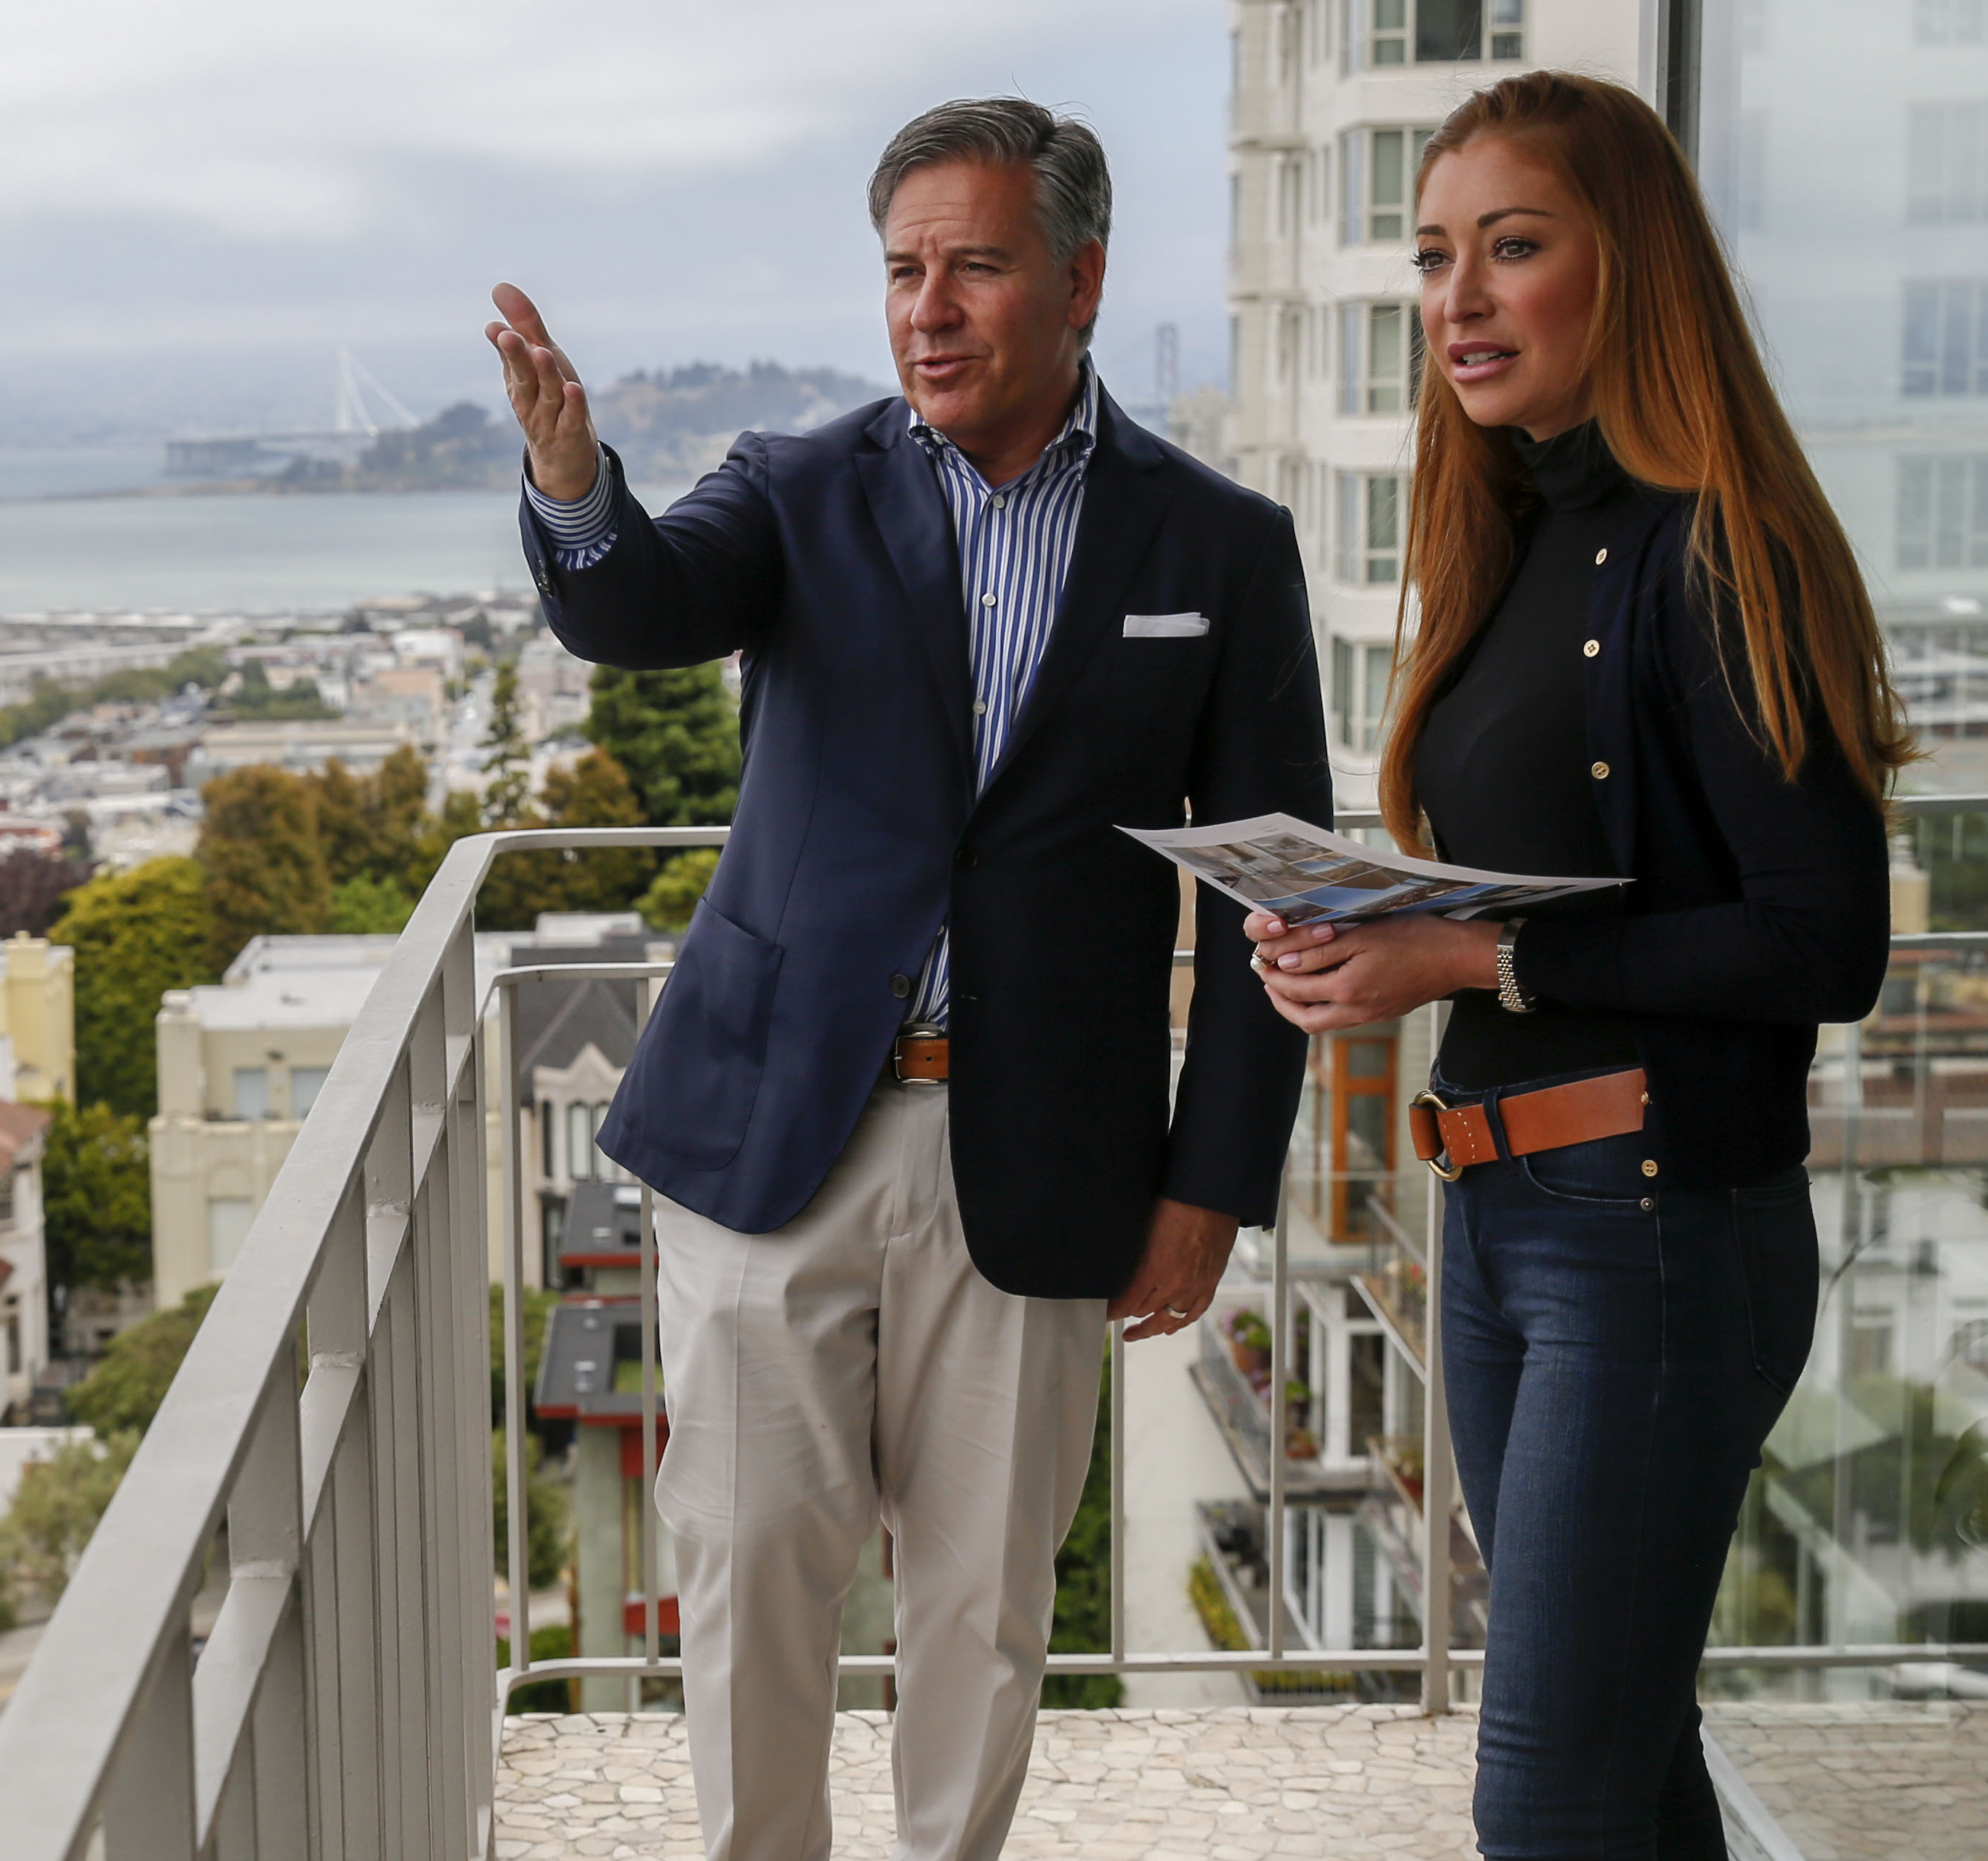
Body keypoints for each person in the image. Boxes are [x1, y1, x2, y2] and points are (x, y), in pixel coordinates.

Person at [491, 97, 1327, 1861]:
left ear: (1082, 278)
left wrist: (1209, 1187)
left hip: (1038, 1159)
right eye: (900, 271)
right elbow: (636, 601)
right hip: (772, 1133)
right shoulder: (798, 485)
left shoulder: (1216, 545)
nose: (926, 307)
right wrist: (574, 483)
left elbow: (1275, 900)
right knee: (748, 1591)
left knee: (983, 1610)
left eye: (972, 265)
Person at [1243, 71, 1908, 1858]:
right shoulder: (1514, 544)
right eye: (1434, 255)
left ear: (1630, 271)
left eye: (1511, 248)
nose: (1456, 298)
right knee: (1622, 1759)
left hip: (1657, 1229)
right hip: (1504, 1219)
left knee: (1544, 1791)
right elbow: (1560, 882)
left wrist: (1464, 949)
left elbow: (1820, 939)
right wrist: (1376, 922)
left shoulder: (1724, 546)